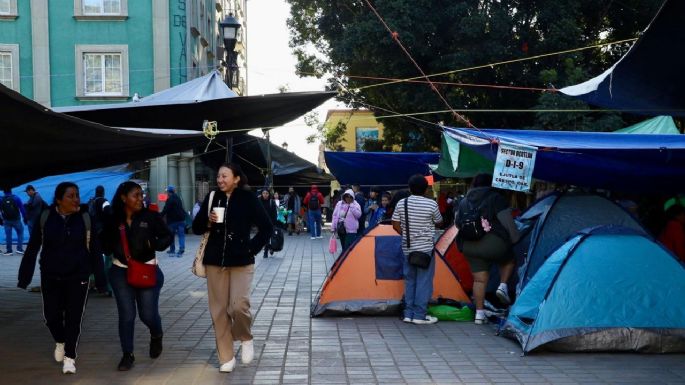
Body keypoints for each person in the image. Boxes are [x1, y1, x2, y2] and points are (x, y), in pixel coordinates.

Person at [192, 163, 272, 373]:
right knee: (218, 310)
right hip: (214, 261)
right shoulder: (212, 197)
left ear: (236, 178)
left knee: (238, 305)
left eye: (224, 176)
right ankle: (226, 356)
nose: (220, 180)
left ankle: (245, 338)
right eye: (218, 176)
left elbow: (267, 228)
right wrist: (208, 222)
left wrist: (250, 249)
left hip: (241, 262)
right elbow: (196, 227)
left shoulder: (248, 199)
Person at [17, 182, 104, 374]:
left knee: (74, 318)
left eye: (77, 195)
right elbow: (32, 248)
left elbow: (95, 251)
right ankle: (60, 341)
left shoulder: (84, 218)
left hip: (78, 276)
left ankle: (70, 357)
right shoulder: (46, 217)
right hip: (51, 276)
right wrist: (24, 277)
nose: (76, 200)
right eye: (70, 196)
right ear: (58, 200)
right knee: (51, 316)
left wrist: (100, 280)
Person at [102, 181, 172, 371]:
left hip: (147, 271)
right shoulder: (113, 218)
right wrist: (109, 245)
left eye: (141, 195)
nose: (140, 199)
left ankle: (156, 334)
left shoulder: (150, 216)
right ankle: (127, 354)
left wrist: (153, 244)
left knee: (148, 315)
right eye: (136, 195)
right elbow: (103, 243)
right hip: (120, 271)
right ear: (124, 198)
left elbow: (167, 237)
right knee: (127, 315)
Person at [455, 174, 520, 324]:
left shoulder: (464, 201)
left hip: (469, 245)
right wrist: (515, 238)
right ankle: (502, 286)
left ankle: (479, 314)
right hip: (494, 243)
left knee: (479, 280)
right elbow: (507, 222)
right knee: (509, 259)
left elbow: (458, 223)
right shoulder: (496, 198)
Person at [392, 175, 443, 325]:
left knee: (410, 280)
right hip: (425, 249)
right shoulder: (431, 204)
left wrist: (407, 235)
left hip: (407, 249)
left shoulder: (402, 203)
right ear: (426, 189)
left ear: (409, 188)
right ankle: (419, 315)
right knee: (424, 282)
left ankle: (408, 314)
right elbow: (439, 221)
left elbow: (395, 224)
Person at [88, 185, 112, 296]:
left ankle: (91, 283)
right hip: (104, 234)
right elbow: (109, 213)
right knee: (107, 258)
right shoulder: (104, 201)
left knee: (93, 258)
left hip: (92, 233)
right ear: (103, 192)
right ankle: (107, 286)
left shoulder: (91, 201)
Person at [160, 186, 186, 257]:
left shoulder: (170, 199)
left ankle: (172, 249)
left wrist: (160, 216)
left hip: (173, 221)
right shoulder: (178, 198)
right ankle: (181, 248)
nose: (166, 193)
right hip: (181, 220)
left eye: (167, 192)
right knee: (181, 235)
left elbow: (165, 209)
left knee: (171, 235)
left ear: (169, 192)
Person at [2, 187, 27, 255]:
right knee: (20, 233)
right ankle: (19, 249)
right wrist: (25, 218)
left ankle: (9, 251)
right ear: (11, 191)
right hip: (16, 220)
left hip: (6, 220)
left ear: (3, 192)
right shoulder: (16, 198)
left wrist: (1, 219)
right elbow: (22, 209)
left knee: (8, 236)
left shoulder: (1, 199)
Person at [259, 189, 277, 258]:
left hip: (270, 223)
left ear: (269, 194)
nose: (265, 195)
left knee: (267, 237)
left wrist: (274, 223)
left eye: (266, 193)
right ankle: (270, 247)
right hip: (261, 223)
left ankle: (265, 252)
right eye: (263, 193)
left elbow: (274, 213)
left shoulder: (271, 202)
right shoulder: (259, 201)